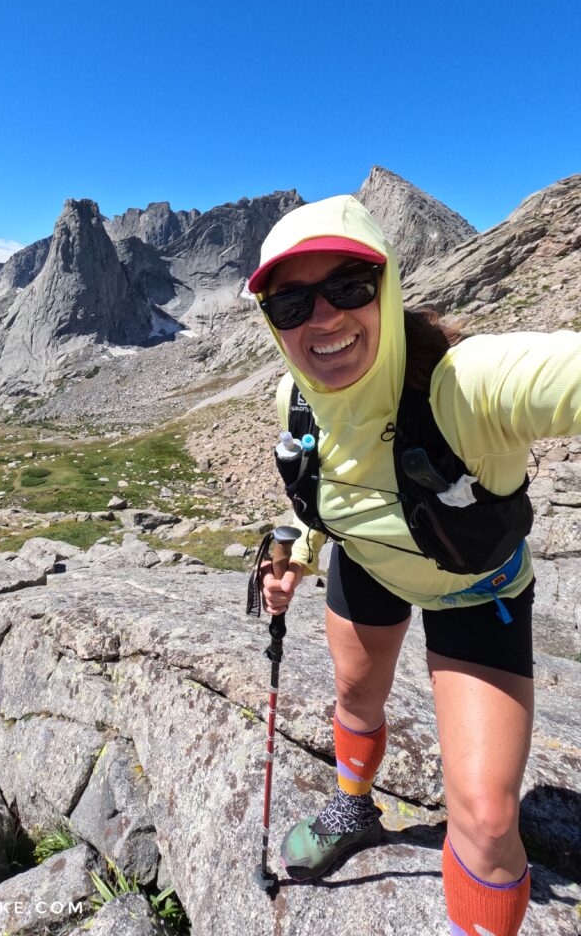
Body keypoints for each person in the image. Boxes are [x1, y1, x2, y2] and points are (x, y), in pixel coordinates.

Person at [247, 194, 581, 936]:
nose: (324, 318)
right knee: (355, 704)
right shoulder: (291, 399)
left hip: (476, 590)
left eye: (349, 286)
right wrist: (297, 557)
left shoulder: (467, 386)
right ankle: (354, 806)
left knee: (490, 820)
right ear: (272, 323)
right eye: (292, 302)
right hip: (366, 564)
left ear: (387, 285)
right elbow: (319, 498)